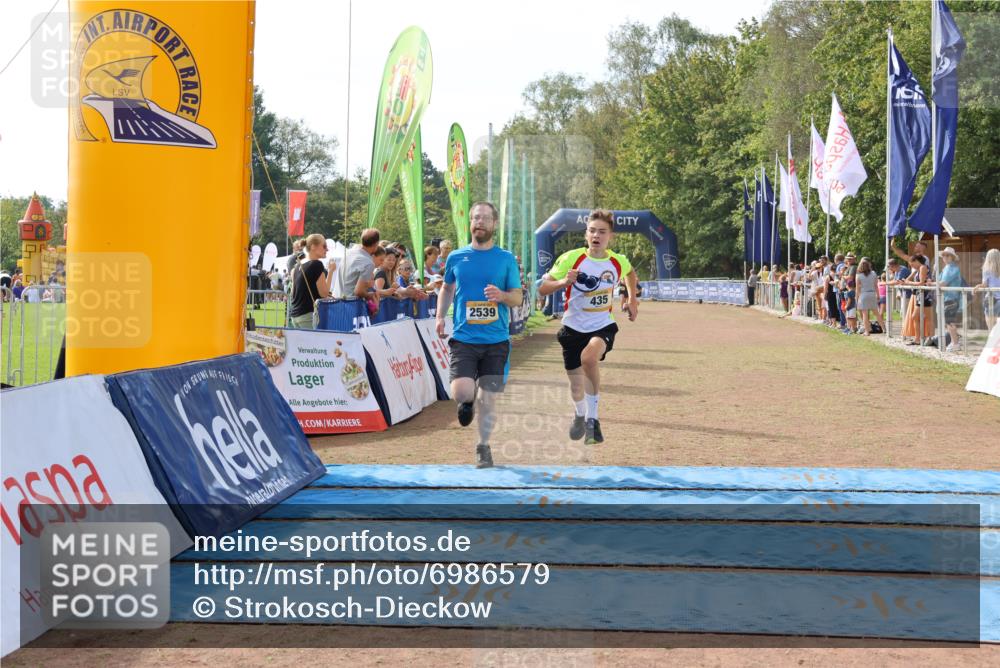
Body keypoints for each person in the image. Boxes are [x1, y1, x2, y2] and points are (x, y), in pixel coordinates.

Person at [538, 208, 638, 445]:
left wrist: (632, 298)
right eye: (592, 231)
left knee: (589, 358)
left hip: (602, 325)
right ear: (586, 234)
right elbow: (543, 288)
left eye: (602, 232)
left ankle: (593, 421)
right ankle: (580, 415)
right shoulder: (572, 258)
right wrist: (564, 281)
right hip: (572, 328)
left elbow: (630, 273)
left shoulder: (617, 261)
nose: (596, 236)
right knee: (575, 387)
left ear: (610, 236)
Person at [435, 202, 522, 468]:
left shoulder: (505, 258)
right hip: (464, 338)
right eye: (475, 218)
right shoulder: (456, 257)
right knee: (461, 392)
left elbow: (517, 298)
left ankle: (483, 446)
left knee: (489, 399)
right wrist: (440, 316)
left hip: (496, 341)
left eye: (485, 218)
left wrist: (502, 296)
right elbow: (447, 289)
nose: (479, 222)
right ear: (470, 224)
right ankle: (466, 402)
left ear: (495, 224)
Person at [288, 233, 336, 329]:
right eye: (324, 246)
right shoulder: (316, 264)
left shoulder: (298, 265)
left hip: (295, 316)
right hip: (308, 316)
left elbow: (293, 293)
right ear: (313, 247)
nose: (327, 249)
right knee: (318, 344)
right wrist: (331, 272)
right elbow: (324, 293)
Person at [901, 254, 934, 344]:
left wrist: (909, 283)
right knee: (915, 317)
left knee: (927, 318)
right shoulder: (918, 269)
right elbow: (912, 280)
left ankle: (929, 338)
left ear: (916, 261)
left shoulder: (923, 267)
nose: (912, 266)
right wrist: (906, 281)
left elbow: (921, 283)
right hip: (920, 295)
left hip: (925, 295)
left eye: (912, 264)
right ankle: (918, 338)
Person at [937, 247, 964, 352]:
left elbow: (943, 283)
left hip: (951, 298)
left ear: (952, 257)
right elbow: (939, 282)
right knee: (948, 322)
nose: (945, 257)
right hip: (948, 298)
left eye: (947, 255)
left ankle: (955, 343)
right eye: (943, 255)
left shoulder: (952, 268)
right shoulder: (946, 268)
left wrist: (932, 283)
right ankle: (955, 341)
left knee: (950, 321)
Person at [343, 228, 380, 301]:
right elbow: (359, 291)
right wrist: (371, 295)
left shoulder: (348, 252)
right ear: (376, 243)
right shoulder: (368, 263)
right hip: (350, 305)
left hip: (336, 303)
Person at [855, 258, 882, 335]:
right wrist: (878, 295)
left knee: (865, 314)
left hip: (863, 294)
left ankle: (867, 331)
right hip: (872, 294)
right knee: (877, 313)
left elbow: (857, 289)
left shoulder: (858, 275)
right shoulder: (873, 273)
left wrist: (857, 298)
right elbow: (876, 285)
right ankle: (884, 328)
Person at [975, 248, 1000, 332]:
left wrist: (978, 286)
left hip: (991, 298)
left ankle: (992, 343)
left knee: (991, 326)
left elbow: (984, 285)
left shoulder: (987, 269)